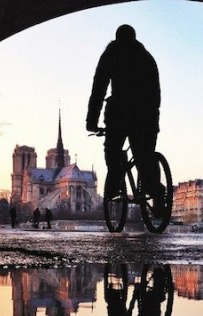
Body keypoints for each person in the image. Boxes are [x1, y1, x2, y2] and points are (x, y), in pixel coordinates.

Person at [86, 25, 164, 214]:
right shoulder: (147, 57)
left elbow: (99, 87)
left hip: (120, 113)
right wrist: (153, 119)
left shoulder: (112, 53)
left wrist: (91, 120)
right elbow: (156, 92)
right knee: (144, 156)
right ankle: (156, 191)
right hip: (147, 114)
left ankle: (113, 184)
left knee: (112, 150)